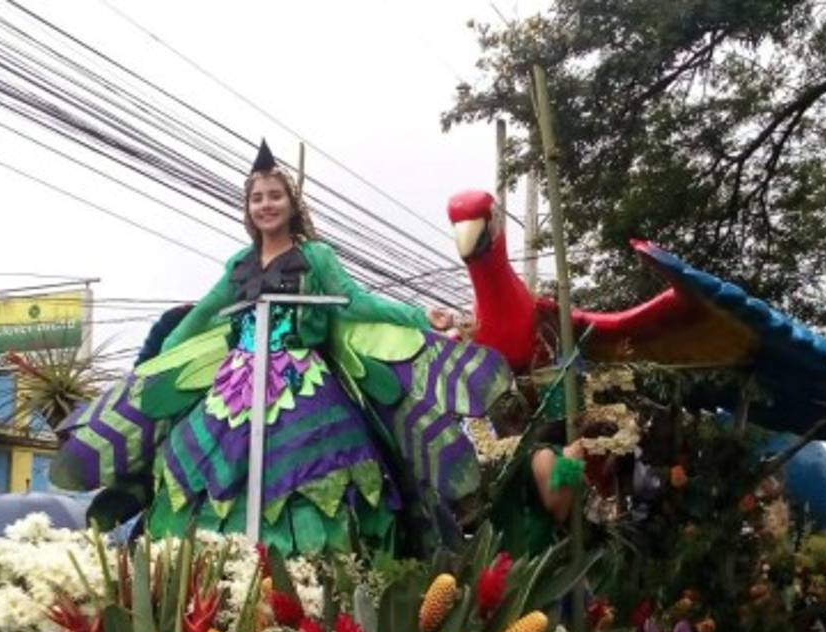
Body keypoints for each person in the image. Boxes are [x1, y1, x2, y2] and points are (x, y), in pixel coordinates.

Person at [52, 140, 511, 554]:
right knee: (196, 474)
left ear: (292, 204)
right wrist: (153, 366)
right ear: (247, 209)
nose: (266, 205)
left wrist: (419, 316)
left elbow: (355, 302)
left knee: (324, 483)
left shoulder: (316, 257)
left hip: (304, 382)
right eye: (257, 198)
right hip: (231, 385)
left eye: (275, 196)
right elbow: (201, 314)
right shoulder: (239, 263)